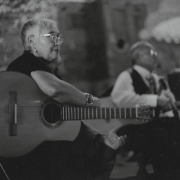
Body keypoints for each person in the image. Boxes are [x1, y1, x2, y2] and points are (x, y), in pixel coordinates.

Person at [1, 18, 127, 180]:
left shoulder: (40, 70)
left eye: (59, 37)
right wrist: (87, 100)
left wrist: (100, 138)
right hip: (35, 159)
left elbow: (68, 119)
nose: (58, 42)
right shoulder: (27, 62)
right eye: (51, 36)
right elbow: (55, 89)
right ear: (32, 41)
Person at [111, 41, 180, 179]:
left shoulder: (155, 77)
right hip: (138, 128)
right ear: (140, 56)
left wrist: (168, 99)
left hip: (158, 124)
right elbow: (120, 98)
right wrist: (154, 99)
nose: (156, 57)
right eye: (152, 53)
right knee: (163, 137)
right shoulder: (127, 76)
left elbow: (168, 101)